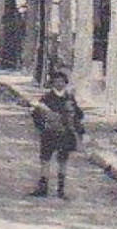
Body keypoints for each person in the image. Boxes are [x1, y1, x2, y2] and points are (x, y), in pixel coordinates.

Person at [30, 69, 83, 199]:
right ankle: (43, 187)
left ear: (65, 83)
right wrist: (41, 128)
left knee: (63, 161)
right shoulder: (46, 98)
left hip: (65, 134)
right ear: (52, 83)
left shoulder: (70, 98)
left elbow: (78, 115)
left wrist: (78, 131)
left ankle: (61, 189)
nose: (59, 84)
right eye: (56, 81)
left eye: (62, 82)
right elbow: (36, 115)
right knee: (45, 160)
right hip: (48, 134)